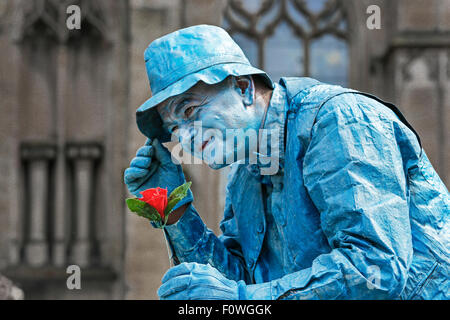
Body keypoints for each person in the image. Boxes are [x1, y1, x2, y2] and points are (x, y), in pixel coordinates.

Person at [124, 25, 449, 300]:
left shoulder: (340, 119)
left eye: (190, 111)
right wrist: (172, 208)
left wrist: (240, 298)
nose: (185, 138)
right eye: (174, 128)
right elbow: (237, 285)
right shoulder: (246, 174)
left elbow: (377, 267)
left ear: (243, 88)